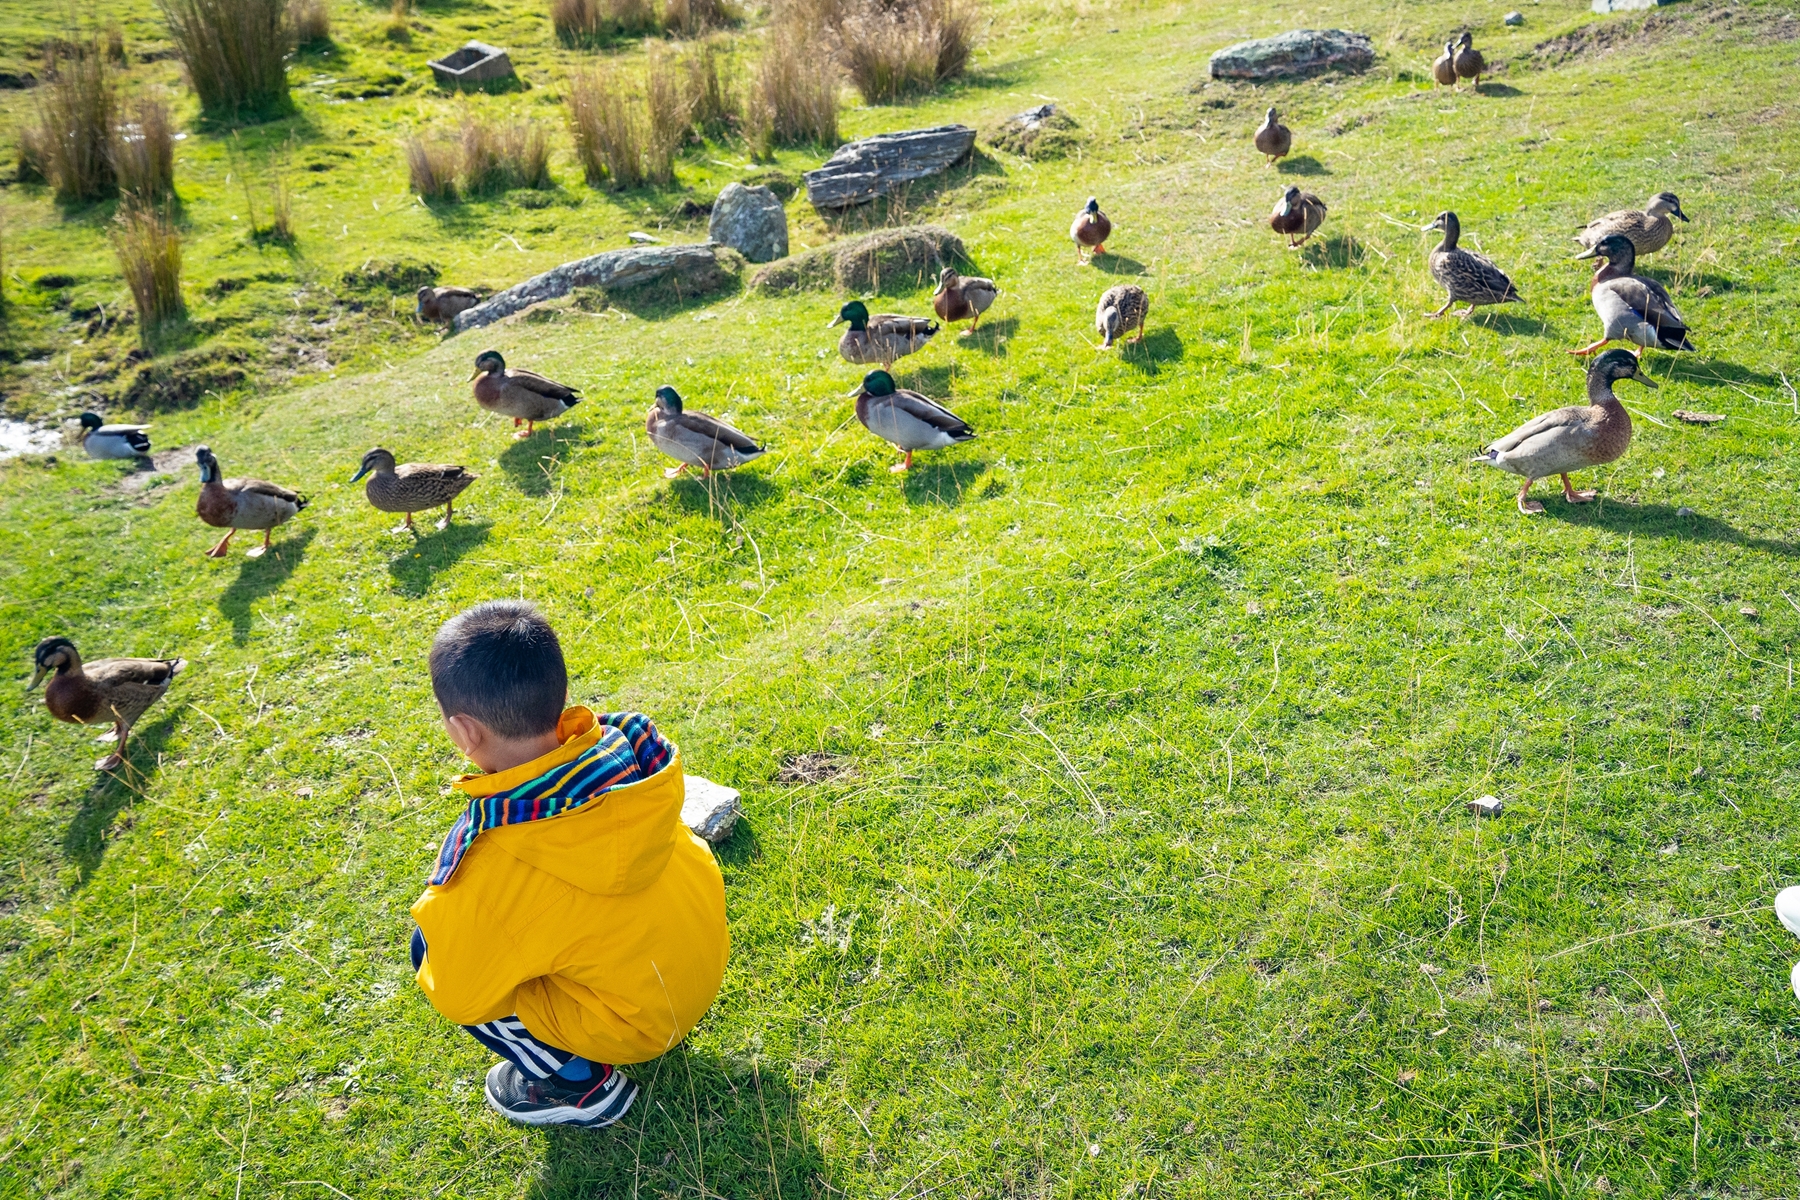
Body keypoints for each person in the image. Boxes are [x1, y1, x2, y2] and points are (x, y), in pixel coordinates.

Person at [409, 600, 728, 1127]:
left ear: (464, 731)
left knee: (432, 949)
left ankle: (581, 1086)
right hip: (698, 972)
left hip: (637, 1027)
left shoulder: (492, 859)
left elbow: (460, 998)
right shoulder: (627, 756)